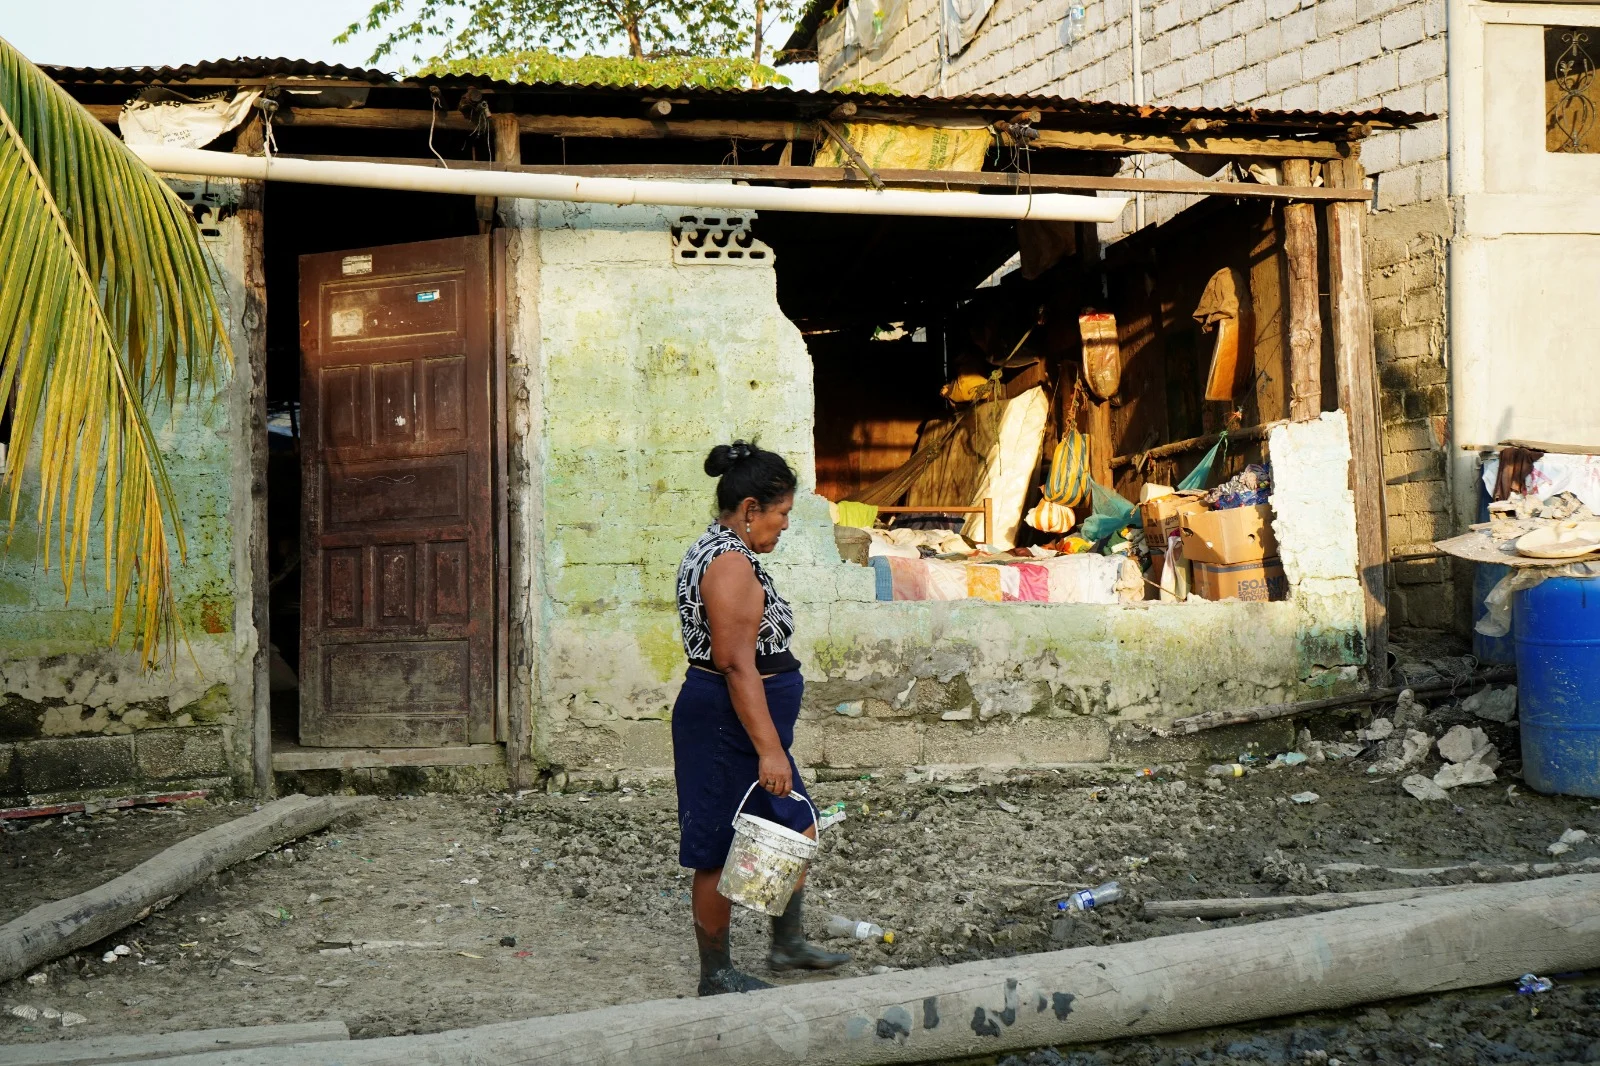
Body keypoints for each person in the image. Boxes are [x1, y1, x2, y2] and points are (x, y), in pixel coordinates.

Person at [672, 440, 849, 996]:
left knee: (791, 825)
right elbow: (735, 666)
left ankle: (785, 942)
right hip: (730, 724)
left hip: (744, 721)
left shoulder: (726, 551)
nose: (786, 525)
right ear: (750, 509)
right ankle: (716, 974)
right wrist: (769, 749)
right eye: (782, 513)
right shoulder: (727, 564)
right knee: (718, 848)